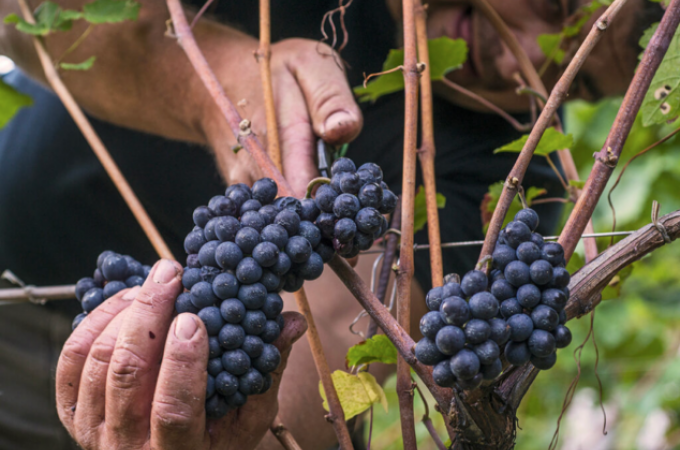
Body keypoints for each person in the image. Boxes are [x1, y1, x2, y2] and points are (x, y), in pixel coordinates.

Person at [0, 0, 663, 449]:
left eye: (572, 82)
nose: (521, 58)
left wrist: (231, 426)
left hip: (115, 377)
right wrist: (212, 80)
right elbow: (23, 16)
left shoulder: (511, 178)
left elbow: (321, 365)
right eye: (557, 12)